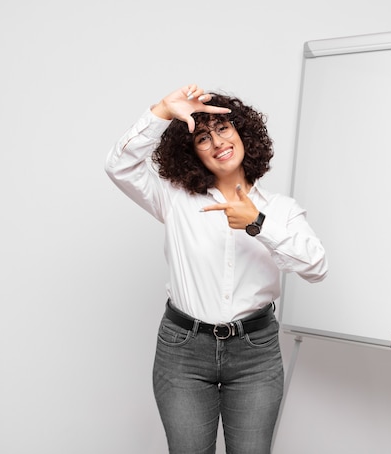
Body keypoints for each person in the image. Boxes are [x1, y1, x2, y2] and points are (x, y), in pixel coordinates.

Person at [105, 84, 328, 454]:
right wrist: (161, 110)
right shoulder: (175, 199)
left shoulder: (281, 209)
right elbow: (119, 166)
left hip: (255, 352)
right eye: (203, 137)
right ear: (193, 154)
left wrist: (257, 223)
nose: (217, 142)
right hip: (183, 350)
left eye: (223, 129)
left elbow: (316, 267)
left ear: (242, 134)